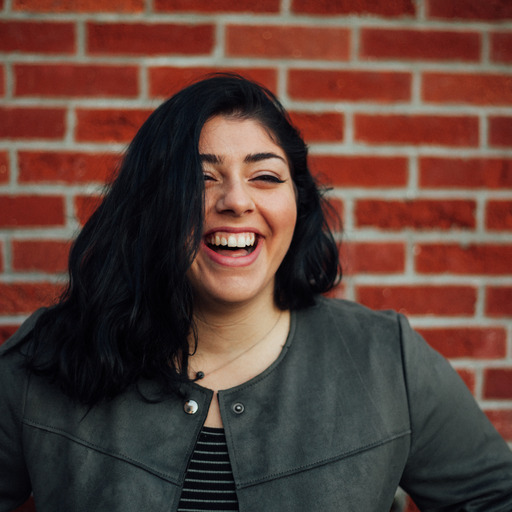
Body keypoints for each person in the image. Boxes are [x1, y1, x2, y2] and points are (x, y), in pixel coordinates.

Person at [0, 74, 511, 512]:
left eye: (265, 176)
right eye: (202, 178)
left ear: (298, 203)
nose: (236, 200)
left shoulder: (386, 360)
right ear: (152, 206)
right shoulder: (45, 359)